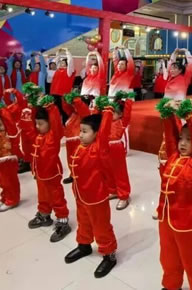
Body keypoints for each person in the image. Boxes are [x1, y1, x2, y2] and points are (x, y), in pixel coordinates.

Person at [156, 98, 192, 290]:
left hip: (189, 223)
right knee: (168, 257)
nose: (182, 143)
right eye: (182, 138)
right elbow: (170, 136)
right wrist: (167, 114)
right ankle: (171, 285)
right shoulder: (174, 156)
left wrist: (190, 114)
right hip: (166, 218)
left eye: (189, 140)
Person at [64, 100, 118, 279]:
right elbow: (84, 115)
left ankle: (109, 254)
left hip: (96, 197)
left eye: (85, 131)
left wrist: (108, 112)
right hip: (81, 195)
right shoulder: (81, 147)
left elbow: (104, 131)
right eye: (80, 130)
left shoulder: (98, 148)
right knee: (83, 222)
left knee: (101, 226)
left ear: (96, 134)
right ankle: (84, 245)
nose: (80, 135)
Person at [29, 97, 72, 243]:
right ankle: (44, 215)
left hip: (52, 173)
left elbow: (56, 122)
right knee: (42, 195)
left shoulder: (53, 136)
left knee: (56, 197)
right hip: (40, 173)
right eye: (36, 123)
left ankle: (63, 221)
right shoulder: (38, 136)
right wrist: (34, 105)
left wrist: (51, 107)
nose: (37, 126)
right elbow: (31, 123)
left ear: (49, 123)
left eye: (41, 124)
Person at [107, 91, 134, 211]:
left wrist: (128, 100)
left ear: (120, 114)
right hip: (105, 148)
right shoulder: (106, 121)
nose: (111, 114)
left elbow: (128, 113)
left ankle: (124, 195)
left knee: (120, 172)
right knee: (108, 171)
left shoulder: (122, 122)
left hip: (116, 148)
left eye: (114, 112)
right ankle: (113, 190)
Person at [0, 104, 21, 212]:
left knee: (9, 181)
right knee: (2, 181)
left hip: (8, 161)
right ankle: (5, 197)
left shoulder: (11, 133)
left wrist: (3, 111)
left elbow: (10, 122)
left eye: (0, 125)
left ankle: (12, 199)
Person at [61, 91, 92, 185]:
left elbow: (82, 108)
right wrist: (65, 97)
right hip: (70, 140)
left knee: (79, 159)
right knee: (71, 159)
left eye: (75, 104)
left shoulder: (85, 114)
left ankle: (82, 175)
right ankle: (73, 174)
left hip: (78, 140)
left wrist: (76, 99)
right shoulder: (73, 113)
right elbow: (65, 107)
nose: (73, 105)